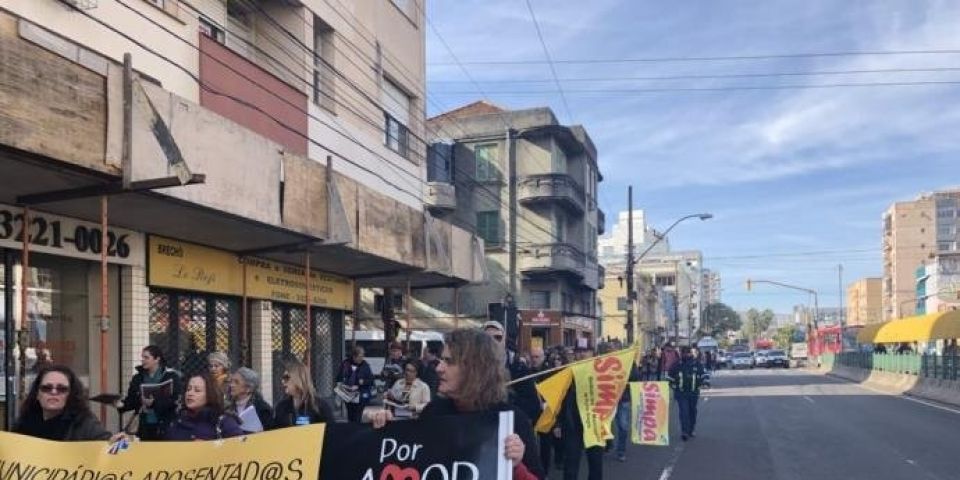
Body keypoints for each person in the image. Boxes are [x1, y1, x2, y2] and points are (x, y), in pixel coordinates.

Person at [371, 329, 545, 480]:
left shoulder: (512, 421)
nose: (439, 368)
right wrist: (387, 431)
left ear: (475, 369)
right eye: (441, 360)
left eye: (449, 361)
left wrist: (516, 466)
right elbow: (408, 464)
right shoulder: (434, 411)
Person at [14, 365, 115, 441]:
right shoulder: (25, 423)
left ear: (71, 394)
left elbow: (109, 447)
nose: (53, 392)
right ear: (37, 394)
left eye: (61, 389)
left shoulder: (84, 424)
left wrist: (120, 443)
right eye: (46, 388)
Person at [116, 345, 182, 440]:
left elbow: (175, 400)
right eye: (142, 357)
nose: (142, 360)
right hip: (145, 425)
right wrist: (120, 405)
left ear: (157, 359)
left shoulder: (171, 376)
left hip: (165, 424)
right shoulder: (138, 378)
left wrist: (154, 403)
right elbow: (132, 401)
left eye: (146, 357)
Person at [483, 321, 542, 423]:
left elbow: (534, 407)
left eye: (497, 337)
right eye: (487, 338)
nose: (493, 341)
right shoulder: (472, 368)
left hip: (511, 427)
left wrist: (509, 398)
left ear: (504, 340)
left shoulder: (518, 367)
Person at [561, 348, 602, 480]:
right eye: (579, 351)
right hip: (573, 425)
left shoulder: (600, 371)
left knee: (596, 465)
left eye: (586, 351)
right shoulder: (567, 372)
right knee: (570, 467)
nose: (582, 354)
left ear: (592, 353)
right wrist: (557, 423)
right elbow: (559, 399)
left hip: (594, 425)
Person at [165, 373, 243, 441]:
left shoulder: (223, 422)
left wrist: (209, 449)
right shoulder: (178, 420)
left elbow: (240, 448)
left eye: (197, 390)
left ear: (209, 394)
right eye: (188, 389)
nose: (190, 393)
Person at [667, 346, 710, 441]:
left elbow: (705, 374)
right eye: (684, 353)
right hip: (681, 393)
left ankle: (691, 429)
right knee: (684, 412)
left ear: (691, 353)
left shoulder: (697, 364)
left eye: (688, 353)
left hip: (693, 393)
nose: (686, 354)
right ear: (681, 354)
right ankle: (685, 431)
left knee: (692, 411)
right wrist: (673, 385)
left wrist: (705, 382)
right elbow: (669, 377)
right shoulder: (676, 365)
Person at [276, 360, 335, 428]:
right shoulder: (281, 407)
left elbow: (331, 433)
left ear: (299, 379)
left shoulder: (319, 407)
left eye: (286, 378)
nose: (282, 381)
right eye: (283, 378)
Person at [227, 367, 274, 433]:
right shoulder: (227, 407)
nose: (231, 385)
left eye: (236, 382)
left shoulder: (262, 409)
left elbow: (270, 433)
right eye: (231, 381)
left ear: (248, 388)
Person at [335, 346, 375, 423]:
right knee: (350, 415)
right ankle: (351, 429)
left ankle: (357, 429)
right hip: (348, 394)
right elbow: (339, 377)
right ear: (354, 356)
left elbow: (371, 380)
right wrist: (342, 385)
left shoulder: (365, 365)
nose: (362, 358)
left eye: (363, 356)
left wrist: (362, 382)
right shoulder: (345, 364)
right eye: (360, 356)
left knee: (357, 415)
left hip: (360, 394)